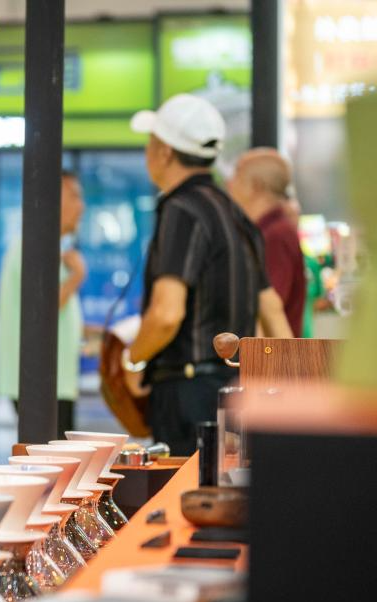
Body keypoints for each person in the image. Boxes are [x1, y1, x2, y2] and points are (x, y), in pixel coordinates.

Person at [124, 94, 292, 457]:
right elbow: (272, 309)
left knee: (185, 488)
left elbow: (167, 314)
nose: (147, 153)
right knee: (224, 485)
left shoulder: (181, 209)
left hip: (186, 396)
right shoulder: (236, 214)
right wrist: (292, 387)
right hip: (235, 391)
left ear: (165, 152)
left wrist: (133, 360)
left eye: (150, 143)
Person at [0, 170, 87, 436]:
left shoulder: (46, 247)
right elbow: (44, 310)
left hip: (52, 382)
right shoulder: (35, 247)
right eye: (74, 196)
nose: (81, 206)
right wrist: (78, 276)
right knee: (53, 456)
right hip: (42, 384)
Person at [228, 148, 307, 337]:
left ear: (256, 186)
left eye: (237, 175)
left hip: (269, 353)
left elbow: (268, 310)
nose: (229, 183)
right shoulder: (266, 232)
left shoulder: (275, 236)